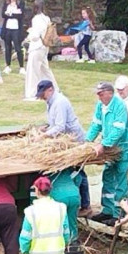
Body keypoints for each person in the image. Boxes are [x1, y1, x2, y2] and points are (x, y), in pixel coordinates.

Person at [36, 79, 91, 216]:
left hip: (74, 141)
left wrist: (44, 136)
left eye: (43, 93)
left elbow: (60, 126)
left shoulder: (59, 102)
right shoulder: (51, 102)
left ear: (50, 90)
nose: (42, 97)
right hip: (66, 140)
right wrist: (46, 128)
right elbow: (54, 124)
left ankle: (85, 205)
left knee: (78, 172)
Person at [86, 81, 128, 225]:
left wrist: (103, 144)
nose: (99, 97)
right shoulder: (100, 106)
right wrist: (87, 141)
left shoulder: (119, 106)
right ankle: (107, 210)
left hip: (122, 149)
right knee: (107, 178)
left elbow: (118, 130)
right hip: (110, 151)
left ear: (109, 93)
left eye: (101, 94)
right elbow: (96, 125)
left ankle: (118, 214)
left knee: (121, 181)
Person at [24, 0, 59, 101]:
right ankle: (55, 89)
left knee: (32, 71)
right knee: (45, 70)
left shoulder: (36, 19)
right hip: (44, 47)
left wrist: (29, 34)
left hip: (37, 46)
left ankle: (32, 94)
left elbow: (35, 35)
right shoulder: (47, 18)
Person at [48, 168, 82, 243]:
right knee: (72, 219)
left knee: (59, 221)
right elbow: (79, 177)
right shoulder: (66, 168)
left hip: (58, 197)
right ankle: (73, 240)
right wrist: (74, 187)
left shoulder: (45, 173)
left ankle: (61, 240)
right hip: (74, 195)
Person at [1, 0, 26, 75]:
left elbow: (21, 15)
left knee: (18, 48)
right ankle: (8, 66)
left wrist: (11, 14)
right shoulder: (6, 3)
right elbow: (3, 15)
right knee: (7, 48)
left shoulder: (20, 4)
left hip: (16, 29)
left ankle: (22, 67)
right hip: (7, 29)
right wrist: (13, 14)